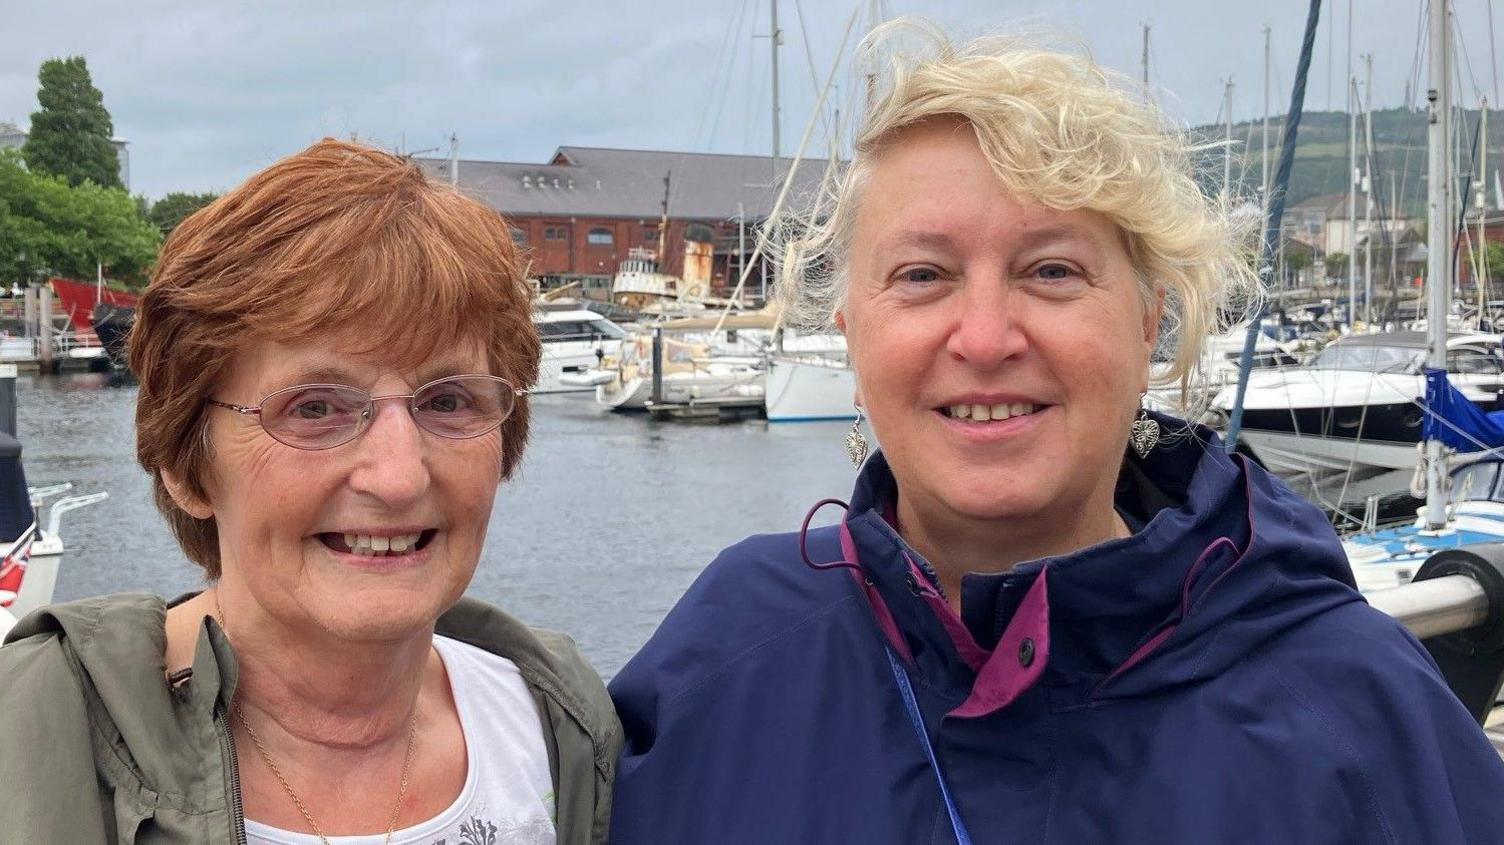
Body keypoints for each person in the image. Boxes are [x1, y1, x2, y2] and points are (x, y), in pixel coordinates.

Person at [608, 22, 1504, 844]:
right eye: (923, 274)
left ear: (1150, 321)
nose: (988, 336)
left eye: (1052, 270)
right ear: (849, 329)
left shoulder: (1354, 707)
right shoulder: (723, 662)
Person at [0, 140, 619, 844]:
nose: (398, 475)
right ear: (185, 464)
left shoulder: (561, 731)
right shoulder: (33, 738)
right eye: (315, 408)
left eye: (448, 401)